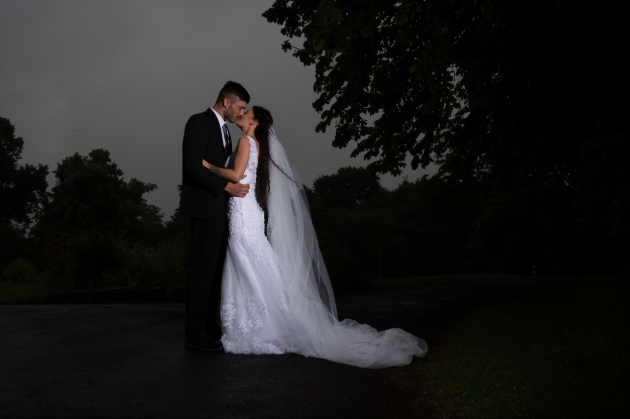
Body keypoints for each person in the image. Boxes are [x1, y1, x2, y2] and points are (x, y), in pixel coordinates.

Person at [202, 105, 428, 368]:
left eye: (246, 111)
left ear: (254, 121)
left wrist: (209, 167)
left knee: (246, 263)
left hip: (243, 212)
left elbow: (237, 175)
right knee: (253, 263)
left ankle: (257, 330)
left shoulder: (244, 142)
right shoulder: (259, 147)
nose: (241, 114)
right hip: (250, 211)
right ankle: (265, 326)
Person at [179, 81, 250, 352]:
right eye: (240, 107)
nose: (241, 114)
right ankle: (195, 333)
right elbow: (192, 165)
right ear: (226, 102)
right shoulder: (198, 122)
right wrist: (226, 186)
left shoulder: (227, 133)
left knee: (215, 272)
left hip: (219, 211)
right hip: (203, 209)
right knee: (200, 272)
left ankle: (210, 327)